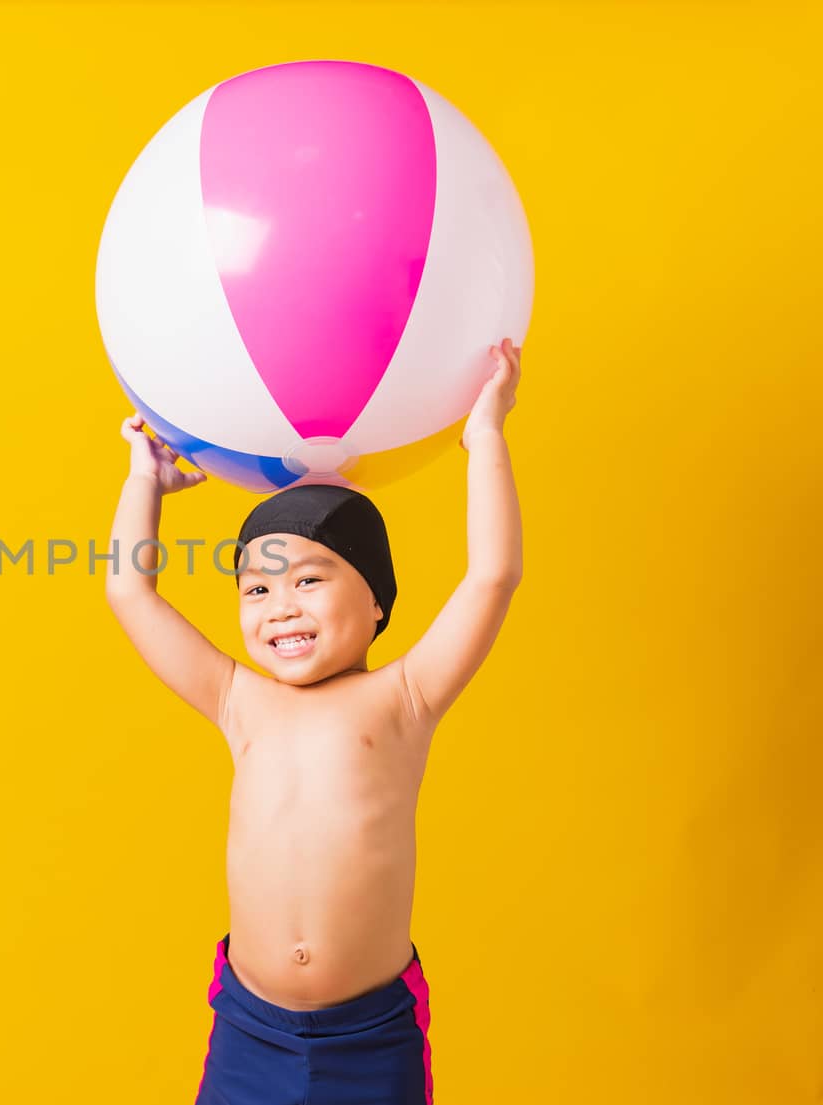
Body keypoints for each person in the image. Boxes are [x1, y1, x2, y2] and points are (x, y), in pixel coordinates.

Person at [104, 340, 524, 1104]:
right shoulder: (239, 699)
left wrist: (486, 433)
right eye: (256, 589)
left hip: (370, 1036)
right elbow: (131, 593)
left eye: (307, 577)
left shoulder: (406, 697)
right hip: (250, 1026)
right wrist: (146, 481)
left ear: (375, 603)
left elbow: (492, 575)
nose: (280, 606)